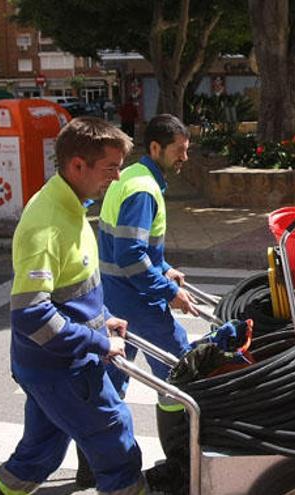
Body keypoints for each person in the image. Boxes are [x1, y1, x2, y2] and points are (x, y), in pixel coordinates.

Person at [0, 117, 145, 495]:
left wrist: (104, 321)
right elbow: (33, 315)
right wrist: (99, 343)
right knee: (118, 448)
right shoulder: (47, 223)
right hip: (63, 370)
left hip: (47, 367)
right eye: (110, 168)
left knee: (37, 457)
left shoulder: (71, 204)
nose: (116, 178)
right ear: (77, 165)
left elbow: (72, 292)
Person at [98, 114, 200, 491]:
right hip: (137, 299)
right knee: (178, 371)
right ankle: (180, 463)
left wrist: (166, 269)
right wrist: (168, 291)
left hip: (115, 295)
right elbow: (131, 256)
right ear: (155, 148)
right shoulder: (143, 190)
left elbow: (133, 250)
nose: (184, 158)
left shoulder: (130, 178)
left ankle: (93, 463)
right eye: (179, 151)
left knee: (110, 377)